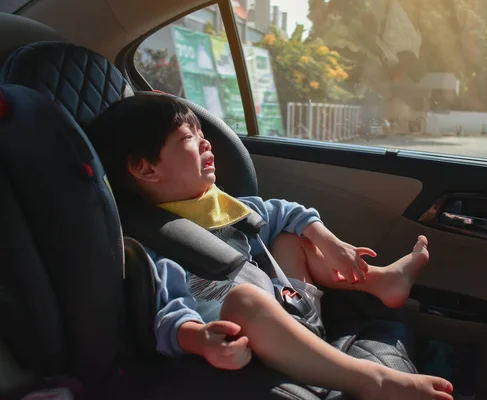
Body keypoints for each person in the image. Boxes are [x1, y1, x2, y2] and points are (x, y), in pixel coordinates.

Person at [87, 95, 453, 400]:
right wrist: (201, 339)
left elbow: (289, 212)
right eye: (188, 138)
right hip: (254, 337)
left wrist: (331, 241)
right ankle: (373, 380)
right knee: (244, 300)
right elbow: (168, 315)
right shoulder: (154, 243)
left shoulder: (223, 206)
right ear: (145, 169)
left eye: (203, 133)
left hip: (295, 306)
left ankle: (379, 281)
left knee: (290, 237)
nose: (206, 142)